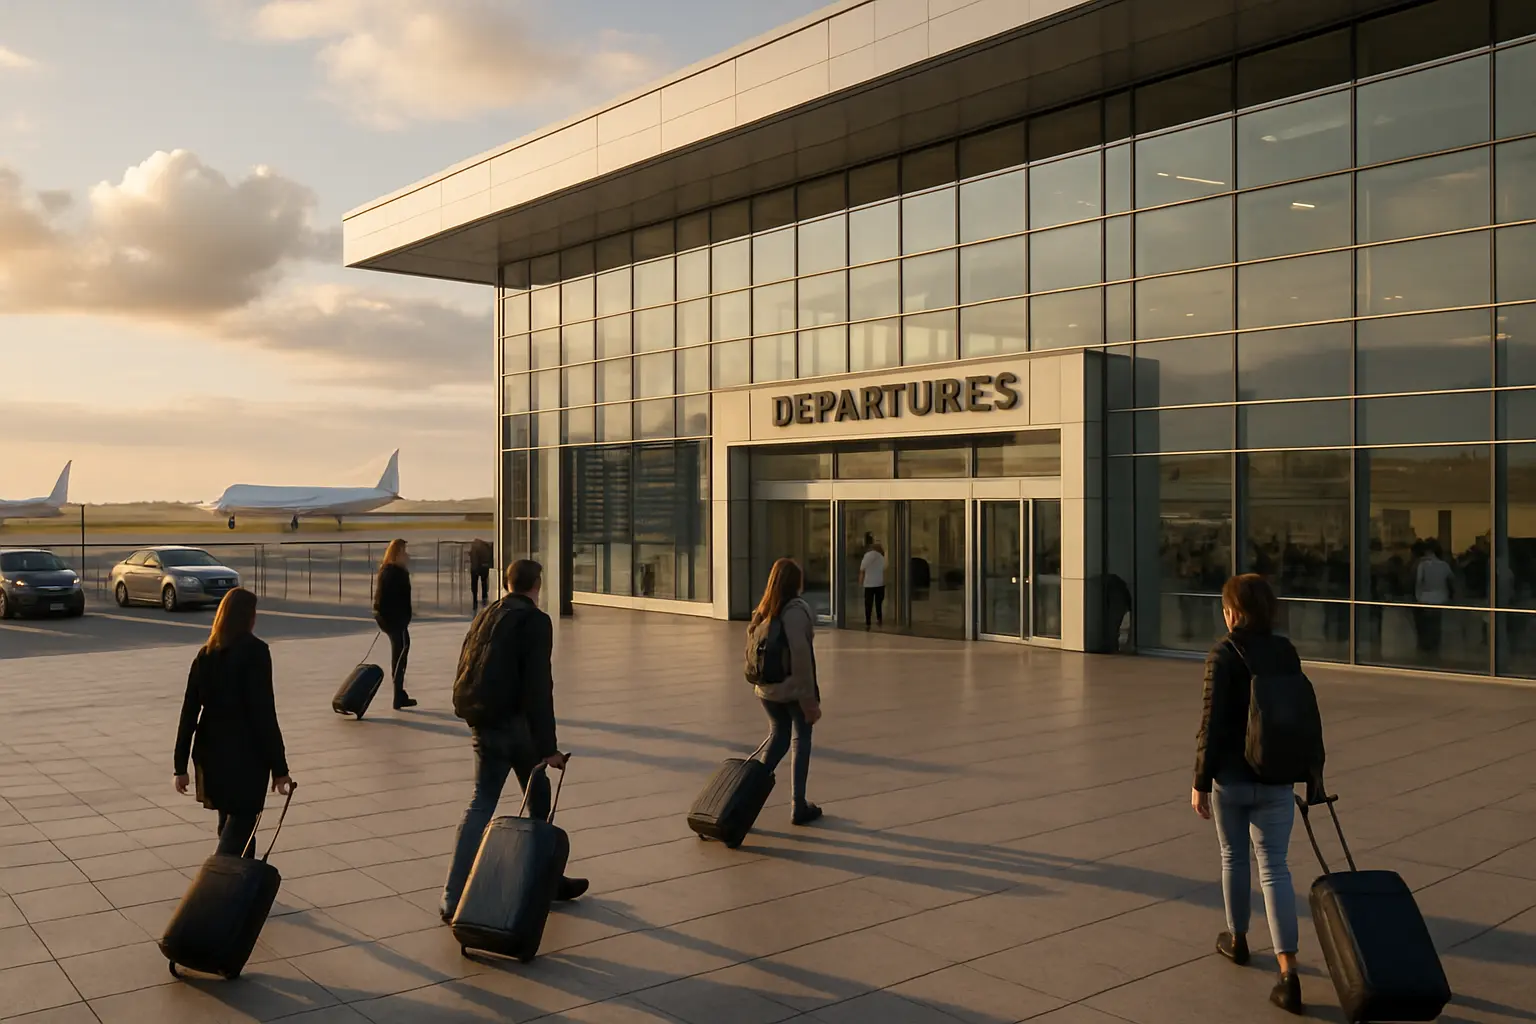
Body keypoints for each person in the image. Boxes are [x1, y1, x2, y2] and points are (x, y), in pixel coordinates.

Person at [1192, 573, 1316, 1016]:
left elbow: (1212, 724)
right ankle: (1289, 972)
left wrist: (1200, 781)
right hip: (1276, 776)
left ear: (1235, 612)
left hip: (1231, 776)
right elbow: (1299, 716)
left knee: (1233, 857)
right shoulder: (1285, 651)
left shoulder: (1223, 655)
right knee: (1276, 869)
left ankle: (1238, 939)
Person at [440, 559, 587, 922]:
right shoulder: (536, 621)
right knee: (538, 800)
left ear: (507, 583)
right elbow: (539, 687)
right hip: (516, 728)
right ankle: (545, 879)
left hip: (483, 723)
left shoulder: (488, 613)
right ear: (538, 583)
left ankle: (452, 894)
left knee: (480, 804)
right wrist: (549, 747)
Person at [173, 588, 294, 856]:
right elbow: (263, 713)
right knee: (240, 829)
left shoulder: (206, 655)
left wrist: (180, 766)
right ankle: (223, 887)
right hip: (245, 755)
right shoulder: (256, 652)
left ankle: (238, 887)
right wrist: (280, 768)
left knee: (228, 822)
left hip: (211, 754)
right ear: (247, 617)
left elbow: (189, 712)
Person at [745, 557, 823, 825]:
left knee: (778, 738)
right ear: (795, 582)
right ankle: (798, 805)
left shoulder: (763, 610)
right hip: (791, 689)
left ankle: (744, 799)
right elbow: (802, 661)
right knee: (801, 741)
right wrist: (809, 702)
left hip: (767, 691)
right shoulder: (795, 612)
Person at [372, 539, 417, 709]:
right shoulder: (394, 573)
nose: (407, 555)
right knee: (400, 653)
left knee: (400, 651)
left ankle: (400, 693)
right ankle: (398, 694)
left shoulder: (390, 571)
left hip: (395, 619)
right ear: (397, 554)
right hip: (395, 620)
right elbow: (386, 599)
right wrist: (397, 618)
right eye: (404, 552)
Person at [1414, 539, 1454, 655]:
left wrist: (1418, 596)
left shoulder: (1423, 565)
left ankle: (1427, 646)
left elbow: (1419, 582)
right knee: (1436, 622)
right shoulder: (1444, 565)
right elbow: (1451, 579)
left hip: (1425, 597)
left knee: (1426, 623)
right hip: (1440, 597)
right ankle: (1435, 644)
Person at [859, 539, 886, 630]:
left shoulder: (867, 556)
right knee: (879, 603)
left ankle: (868, 621)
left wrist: (860, 581)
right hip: (879, 582)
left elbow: (862, 569)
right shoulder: (881, 557)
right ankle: (879, 618)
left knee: (868, 604)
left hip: (869, 583)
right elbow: (884, 569)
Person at [467, 537, 493, 613]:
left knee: (476, 583)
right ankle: (483, 597)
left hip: (476, 568)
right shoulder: (486, 547)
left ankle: (476, 598)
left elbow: (473, 557)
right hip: (482, 567)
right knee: (484, 583)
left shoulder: (476, 547)